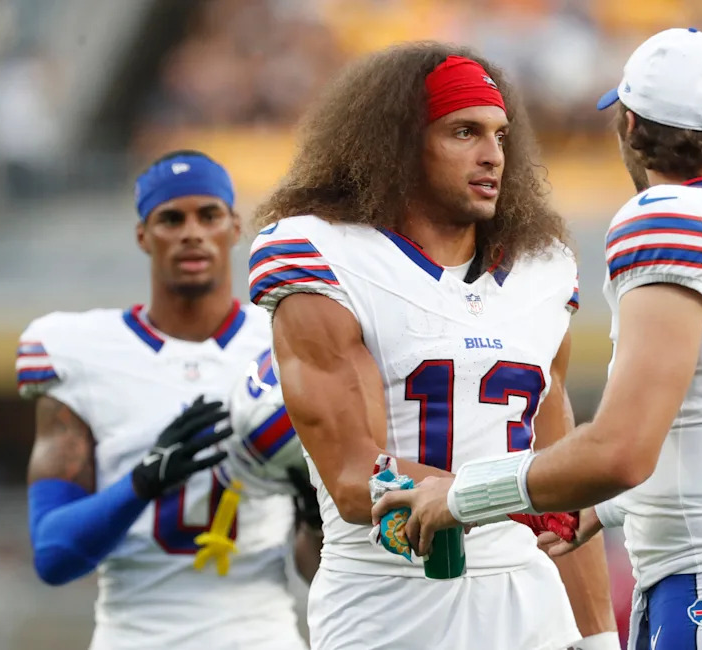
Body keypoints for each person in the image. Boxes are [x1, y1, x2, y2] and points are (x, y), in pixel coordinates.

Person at [374, 28, 702, 650]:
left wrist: (462, 495)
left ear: (629, 125)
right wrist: (603, 508)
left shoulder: (669, 219)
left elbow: (620, 450)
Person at [249, 43, 618, 650]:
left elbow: (563, 483)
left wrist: (600, 635)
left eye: (500, 136)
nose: (492, 156)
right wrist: (525, 494)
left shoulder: (543, 269)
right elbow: (353, 479)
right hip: (390, 606)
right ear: (398, 145)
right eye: (464, 132)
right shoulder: (323, 254)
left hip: (527, 604)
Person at [17, 151, 314, 650]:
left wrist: (312, 505)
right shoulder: (80, 350)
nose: (191, 232)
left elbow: (317, 568)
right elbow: (53, 554)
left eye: (208, 215)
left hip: (261, 634)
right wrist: (144, 479)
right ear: (142, 236)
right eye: (171, 218)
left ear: (234, 227)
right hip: (135, 634)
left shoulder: (288, 339)